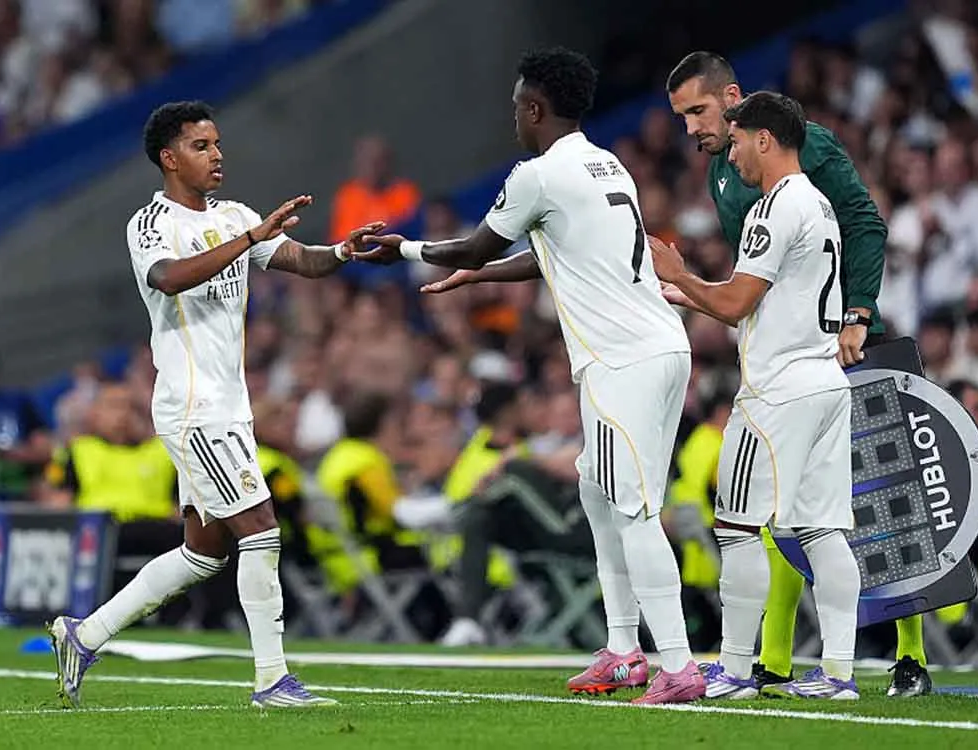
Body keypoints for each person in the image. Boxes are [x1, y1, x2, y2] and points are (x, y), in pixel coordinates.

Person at [353, 47, 704, 704]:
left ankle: (679, 666)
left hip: (620, 360)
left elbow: (474, 242)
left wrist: (400, 250)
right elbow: (554, 254)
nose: (513, 117)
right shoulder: (609, 165)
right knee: (602, 497)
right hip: (659, 345)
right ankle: (624, 650)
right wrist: (482, 274)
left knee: (633, 509)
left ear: (535, 108)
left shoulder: (536, 175)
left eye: (517, 105)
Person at [48, 100, 384, 710]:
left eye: (218, 143)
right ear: (169, 158)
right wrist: (251, 237)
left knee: (204, 553)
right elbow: (170, 278)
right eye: (202, 146)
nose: (217, 154)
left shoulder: (234, 215)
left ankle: (84, 634)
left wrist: (340, 251)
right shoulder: (149, 224)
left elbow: (298, 261)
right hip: (193, 406)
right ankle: (272, 680)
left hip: (230, 407)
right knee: (261, 530)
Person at [664, 50, 929, 696]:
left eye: (698, 110)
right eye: (682, 116)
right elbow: (756, 283)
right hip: (806, 356)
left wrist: (858, 313)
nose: (692, 128)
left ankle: (908, 655)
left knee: (875, 505)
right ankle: (797, 663)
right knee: (811, 521)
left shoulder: (801, 156)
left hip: (832, 346)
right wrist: (706, 297)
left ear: (735, 104)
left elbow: (864, 222)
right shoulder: (728, 178)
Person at [652, 90, 861, 700]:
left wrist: (679, 274)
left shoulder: (773, 208)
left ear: (764, 139)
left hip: (777, 393)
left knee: (737, 527)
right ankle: (840, 675)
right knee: (823, 530)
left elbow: (739, 301)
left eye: (738, 139)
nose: (732, 151)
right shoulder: (818, 205)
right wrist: (690, 295)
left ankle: (737, 669)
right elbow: (764, 305)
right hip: (825, 382)